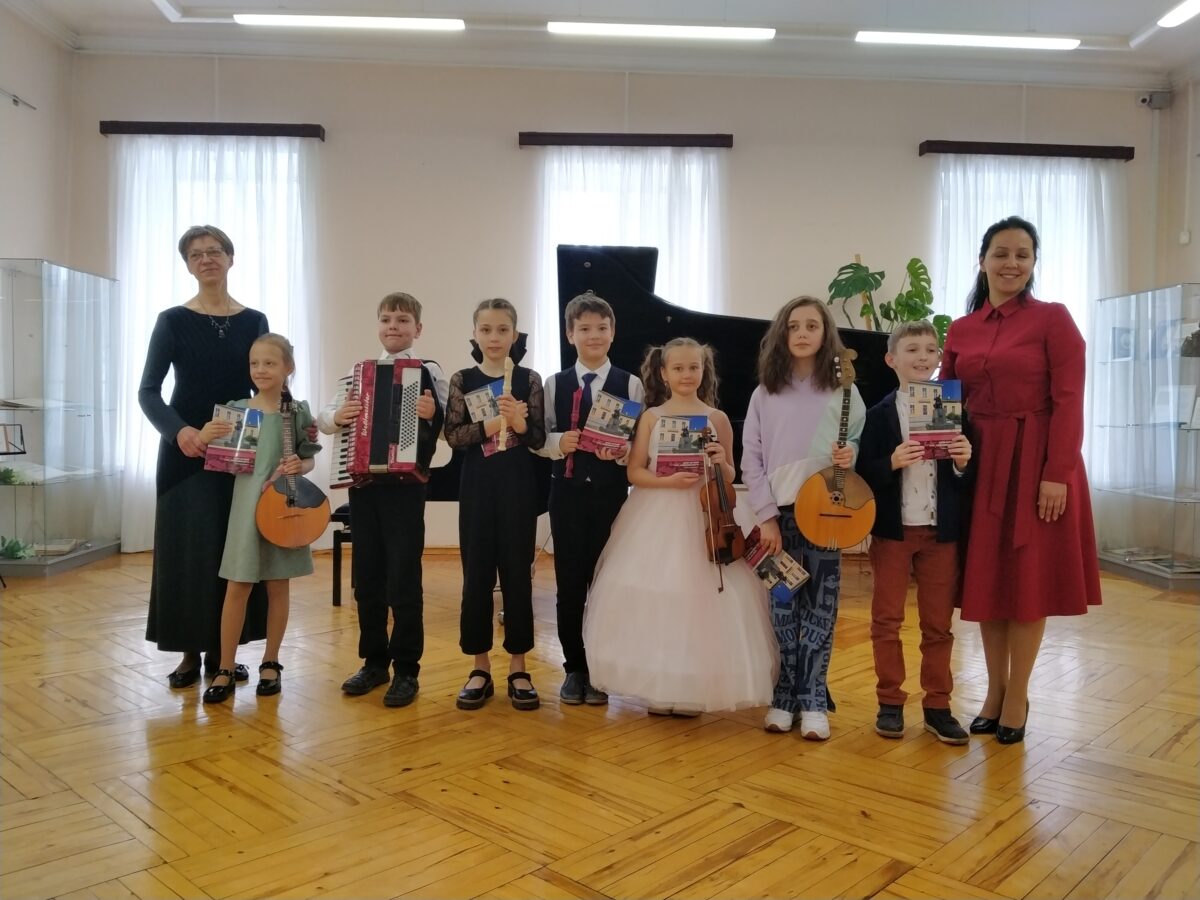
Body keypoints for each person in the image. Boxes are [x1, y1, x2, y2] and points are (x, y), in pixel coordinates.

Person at [942, 215, 1102, 744]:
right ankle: (993, 691)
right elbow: (946, 402)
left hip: (1036, 462)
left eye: (1022, 255)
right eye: (1001, 253)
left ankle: (1018, 696)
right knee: (987, 580)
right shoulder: (961, 328)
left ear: (1033, 263)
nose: (1011, 263)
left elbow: (1070, 401)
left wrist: (1057, 474)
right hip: (981, 462)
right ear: (982, 260)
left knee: (1027, 581)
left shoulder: (1054, 319)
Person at [582, 338, 778, 716]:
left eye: (693, 367)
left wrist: (720, 461)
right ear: (663, 373)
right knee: (660, 597)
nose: (686, 375)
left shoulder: (717, 419)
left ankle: (692, 687)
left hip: (706, 514)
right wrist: (667, 482)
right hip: (656, 511)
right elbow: (635, 471)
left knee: (703, 601)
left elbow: (730, 474)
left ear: (704, 371)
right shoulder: (652, 417)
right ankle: (660, 686)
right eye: (678, 368)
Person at [138, 225, 269, 689]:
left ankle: (224, 654)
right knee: (188, 552)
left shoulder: (255, 321)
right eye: (196, 254)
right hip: (186, 452)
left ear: (231, 258)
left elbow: (267, 384)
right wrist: (181, 433)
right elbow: (148, 391)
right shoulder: (172, 320)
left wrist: (294, 427)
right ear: (188, 265)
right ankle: (189, 652)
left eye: (214, 251)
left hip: (240, 451)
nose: (206, 259)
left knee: (232, 553)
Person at [741, 296, 865, 740]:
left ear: (825, 333)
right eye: (794, 326)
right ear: (782, 333)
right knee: (782, 608)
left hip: (827, 515)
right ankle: (784, 697)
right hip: (779, 517)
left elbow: (855, 445)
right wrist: (766, 517)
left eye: (812, 325)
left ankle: (813, 700)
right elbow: (751, 460)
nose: (802, 333)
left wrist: (851, 454)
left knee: (820, 610)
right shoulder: (764, 393)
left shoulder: (844, 392)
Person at [317, 292, 447, 708]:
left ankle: (407, 669)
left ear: (417, 329)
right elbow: (324, 418)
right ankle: (374, 662)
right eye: (387, 319)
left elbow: (451, 424)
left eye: (403, 320)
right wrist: (338, 416)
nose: (394, 326)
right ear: (378, 326)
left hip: (406, 488)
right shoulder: (356, 374)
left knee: (403, 578)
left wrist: (432, 414)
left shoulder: (429, 371)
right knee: (368, 578)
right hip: (364, 486)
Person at [855, 321, 973, 744]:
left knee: (938, 625)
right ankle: (890, 702)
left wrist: (962, 461)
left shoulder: (955, 410)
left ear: (938, 357)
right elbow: (862, 474)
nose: (923, 357)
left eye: (930, 349)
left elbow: (967, 478)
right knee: (886, 621)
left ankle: (938, 706)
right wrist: (891, 462)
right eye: (912, 349)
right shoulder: (877, 415)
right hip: (894, 532)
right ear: (891, 359)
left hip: (941, 534)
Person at [199, 333, 321, 704]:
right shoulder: (236, 411)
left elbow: (308, 459)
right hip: (245, 511)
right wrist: (207, 436)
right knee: (237, 586)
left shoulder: (296, 412)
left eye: (270, 363)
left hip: (282, 509)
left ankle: (271, 661)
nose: (260, 370)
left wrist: (300, 464)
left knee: (278, 586)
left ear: (288, 367)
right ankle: (225, 666)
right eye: (254, 363)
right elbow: (217, 457)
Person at [536, 291, 645, 706]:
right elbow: (538, 438)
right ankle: (574, 668)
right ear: (570, 335)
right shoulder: (553, 384)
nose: (593, 335)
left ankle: (599, 669)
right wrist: (557, 443)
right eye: (584, 328)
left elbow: (639, 443)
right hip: (565, 496)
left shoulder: (630, 383)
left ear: (613, 332)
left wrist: (622, 453)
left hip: (610, 496)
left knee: (605, 583)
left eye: (601, 328)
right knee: (569, 584)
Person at [444, 299, 546, 710]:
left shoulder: (528, 379)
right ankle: (480, 667)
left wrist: (519, 422)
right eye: (485, 330)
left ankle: (519, 667)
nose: (494, 337)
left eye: (503, 330)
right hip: (478, 489)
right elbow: (454, 436)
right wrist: (491, 423)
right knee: (476, 576)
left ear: (514, 335)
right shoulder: (462, 379)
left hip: (518, 488)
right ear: (475, 334)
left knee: (518, 576)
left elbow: (538, 438)